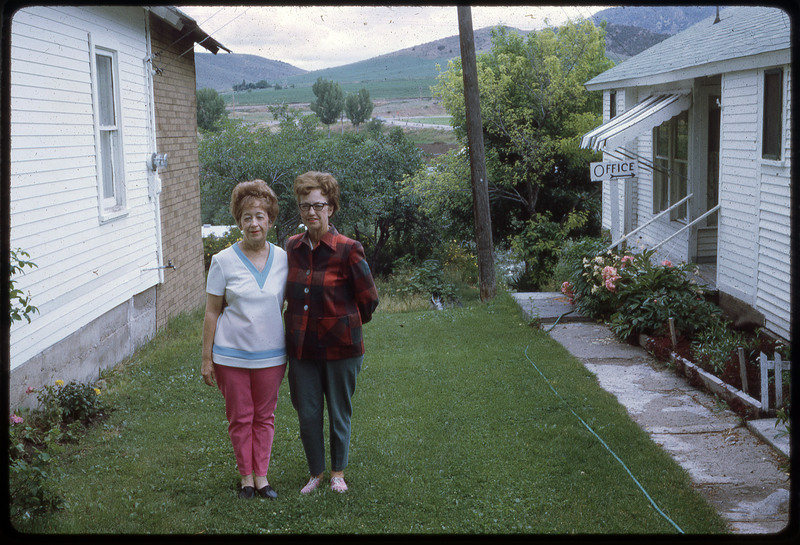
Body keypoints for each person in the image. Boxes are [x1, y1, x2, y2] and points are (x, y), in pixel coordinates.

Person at [284, 171, 379, 494]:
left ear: (331, 208)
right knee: (308, 413)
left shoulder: (349, 249)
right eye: (304, 206)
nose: (311, 212)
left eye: (318, 205)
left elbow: (369, 299)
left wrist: (343, 323)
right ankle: (316, 473)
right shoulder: (292, 247)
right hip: (301, 349)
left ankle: (338, 473)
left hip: (342, 349)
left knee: (339, 411)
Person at [201, 180, 288, 500]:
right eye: (247, 217)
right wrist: (207, 358)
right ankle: (246, 479)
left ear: (270, 220)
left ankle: (262, 478)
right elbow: (212, 312)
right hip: (231, 356)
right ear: (239, 221)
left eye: (260, 216)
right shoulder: (222, 261)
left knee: (265, 417)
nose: (254, 223)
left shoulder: (283, 259)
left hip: (272, 356)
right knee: (240, 417)